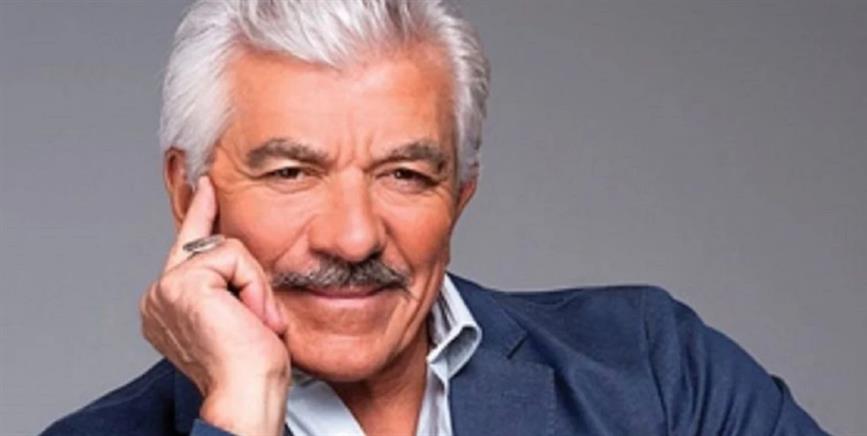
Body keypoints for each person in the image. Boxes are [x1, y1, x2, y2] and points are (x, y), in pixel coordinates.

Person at [44, 1, 826, 435]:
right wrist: (243, 408)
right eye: (291, 173)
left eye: (404, 175)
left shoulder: (653, 374)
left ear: (461, 190)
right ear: (189, 193)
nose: (353, 236)